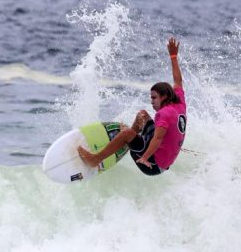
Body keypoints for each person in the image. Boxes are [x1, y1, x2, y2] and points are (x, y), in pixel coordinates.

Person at [78, 37, 187, 176]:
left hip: (153, 165)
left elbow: (157, 139)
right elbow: (178, 80)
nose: (151, 101)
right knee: (142, 115)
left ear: (164, 97)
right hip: (163, 159)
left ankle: (95, 159)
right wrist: (173, 56)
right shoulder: (179, 102)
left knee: (127, 133)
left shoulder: (163, 114)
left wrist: (144, 158)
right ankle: (127, 141)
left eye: (154, 98)